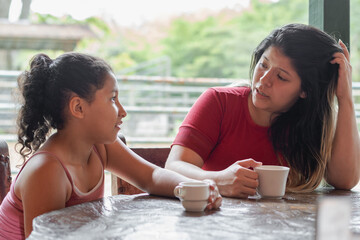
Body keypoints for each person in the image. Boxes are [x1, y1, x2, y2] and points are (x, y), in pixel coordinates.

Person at [0, 53, 222, 239]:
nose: (123, 111)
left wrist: (194, 187)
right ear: (78, 107)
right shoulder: (47, 170)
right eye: (113, 99)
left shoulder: (100, 146)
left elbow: (151, 177)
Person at [165, 23, 360, 198]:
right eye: (263, 64)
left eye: (281, 77)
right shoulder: (219, 102)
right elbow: (173, 166)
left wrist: (345, 99)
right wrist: (217, 180)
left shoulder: (314, 123)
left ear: (305, 91)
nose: (263, 80)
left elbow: (345, 181)